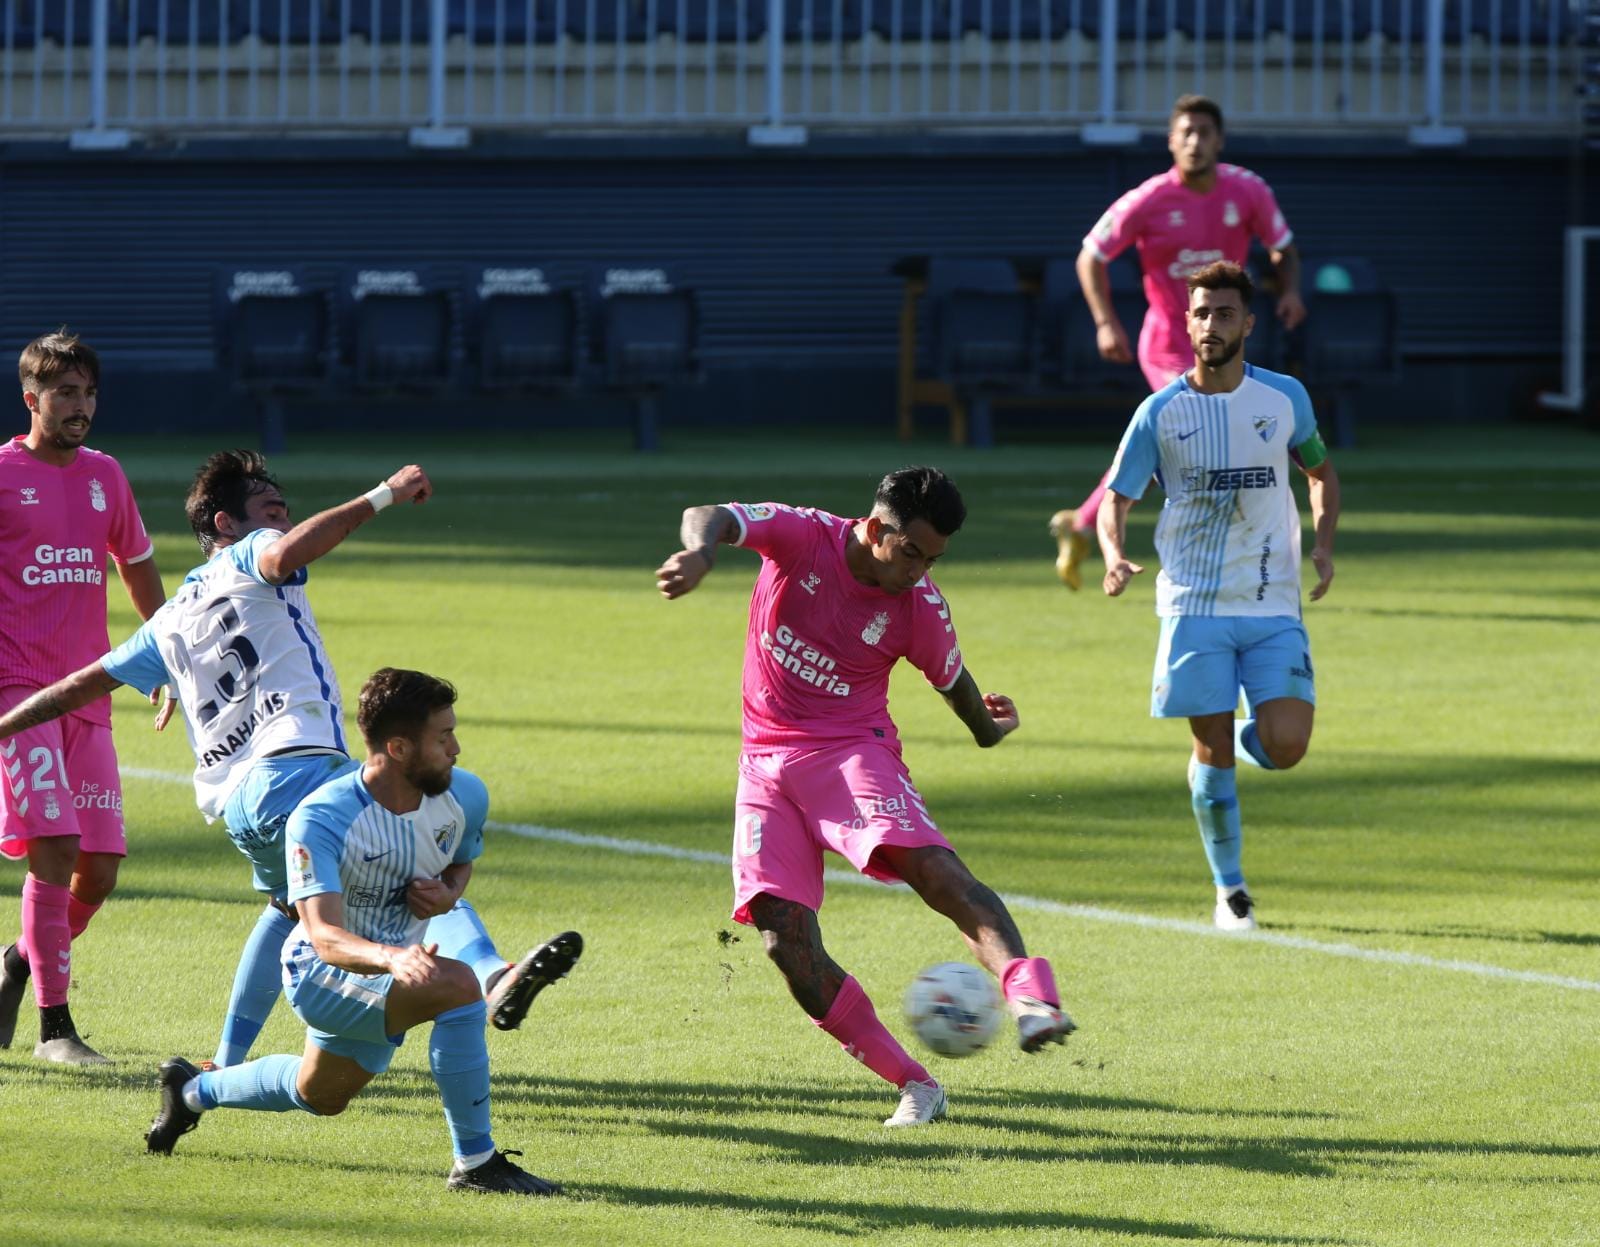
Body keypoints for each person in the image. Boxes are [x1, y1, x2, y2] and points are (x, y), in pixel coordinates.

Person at [0, 451, 580, 1069]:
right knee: (419, 858)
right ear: (225, 525)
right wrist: (382, 493)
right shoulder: (252, 557)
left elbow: (79, 686)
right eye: (270, 513)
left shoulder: (167, 620)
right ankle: (493, 978)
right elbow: (280, 555)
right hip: (298, 766)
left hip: (244, 807)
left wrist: (5, 723)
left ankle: (222, 1063)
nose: (282, 522)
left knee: (288, 907)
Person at [655, 467, 1076, 1128]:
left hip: (852, 750)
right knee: (782, 938)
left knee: (931, 869)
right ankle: (915, 1083)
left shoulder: (920, 607)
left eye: (933, 559)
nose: (919, 571)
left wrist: (992, 729)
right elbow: (708, 510)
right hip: (765, 764)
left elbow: (956, 683)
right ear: (877, 527)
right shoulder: (803, 537)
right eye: (911, 553)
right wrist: (703, 553)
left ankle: (1031, 995)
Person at [144, 668, 561, 1196]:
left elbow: (461, 861)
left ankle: (192, 1092)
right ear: (399, 747)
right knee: (458, 991)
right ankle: (476, 1163)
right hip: (321, 974)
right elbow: (321, 935)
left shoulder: (465, 796)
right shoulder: (321, 819)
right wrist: (391, 958)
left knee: (320, 1094)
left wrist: (450, 892)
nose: (456, 748)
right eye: (443, 736)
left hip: (390, 967)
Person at [1096, 261, 1340, 931]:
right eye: (1201, 313)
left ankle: (1231, 737)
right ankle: (1230, 890)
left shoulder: (1284, 398)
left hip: (1270, 604)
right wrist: (1115, 554)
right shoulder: (1161, 413)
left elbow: (1320, 471)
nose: (1211, 324)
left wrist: (1322, 542)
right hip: (1194, 607)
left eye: (1224, 313)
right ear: (1187, 321)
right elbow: (1115, 500)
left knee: (1287, 743)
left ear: (1248, 323)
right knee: (1212, 756)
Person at [1050, 93, 1307, 591]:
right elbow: (1090, 254)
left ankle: (1081, 523)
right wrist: (1106, 322)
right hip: (1168, 343)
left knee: (1171, 443)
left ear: (1219, 141)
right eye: (1185, 133)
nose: (1195, 142)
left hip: (1222, 344)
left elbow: (1283, 247)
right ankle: (1212, 559)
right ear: (1171, 142)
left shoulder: (1247, 190)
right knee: (1202, 431)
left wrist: (1291, 289)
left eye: (1204, 133)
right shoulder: (1149, 199)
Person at [0, 329, 166, 1065]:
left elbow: (136, 565)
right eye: (65, 392)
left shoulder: (106, 475)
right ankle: (55, 1029)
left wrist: (163, 658)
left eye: (89, 392)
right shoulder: (3, 474)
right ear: (31, 398)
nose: (81, 405)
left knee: (96, 870)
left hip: (89, 692)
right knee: (55, 848)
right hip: (18, 696)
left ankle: (15, 962)